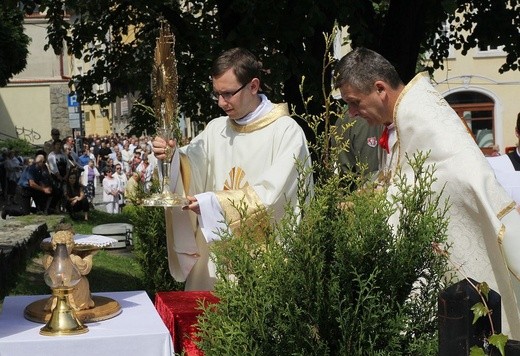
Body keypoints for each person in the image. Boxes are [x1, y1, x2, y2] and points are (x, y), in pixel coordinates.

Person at [334, 47, 520, 338]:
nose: (352, 113)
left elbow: (453, 179)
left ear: (380, 89)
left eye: (354, 102)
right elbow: (406, 178)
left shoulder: (422, 119)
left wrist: (379, 206)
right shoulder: (406, 116)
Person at [152, 47, 312, 291]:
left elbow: (276, 196)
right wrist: (171, 157)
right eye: (216, 94)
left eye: (227, 94)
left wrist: (213, 204)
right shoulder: (216, 129)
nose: (221, 103)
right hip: (212, 263)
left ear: (254, 86)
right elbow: (190, 167)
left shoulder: (286, 132)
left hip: (263, 262)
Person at [333, 114, 382, 190]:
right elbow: (370, 174)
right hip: (363, 193)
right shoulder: (366, 121)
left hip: (347, 190)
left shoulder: (341, 119)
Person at [1, 154, 52, 219]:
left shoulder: (39, 170)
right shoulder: (31, 169)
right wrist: (43, 189)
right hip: (23, 189)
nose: (44, 164)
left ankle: (41, 209)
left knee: (42, 199)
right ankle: (7, 210)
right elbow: (32, 183)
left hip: (32, 189)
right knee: (24, 212)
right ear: (40, 162)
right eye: (43, 162)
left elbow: (40, 181)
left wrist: (45, 188)